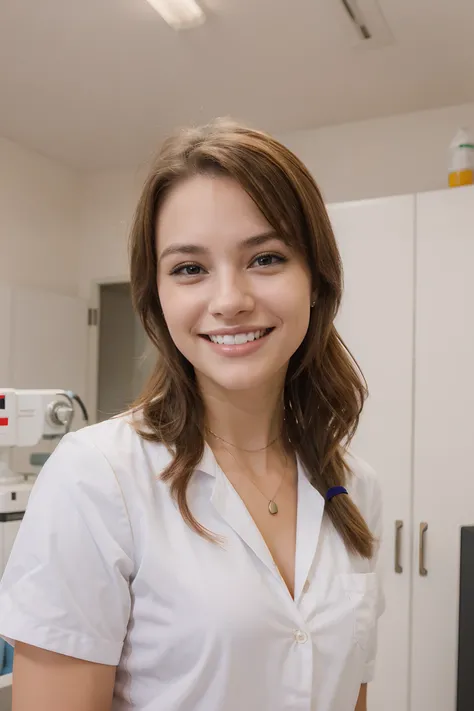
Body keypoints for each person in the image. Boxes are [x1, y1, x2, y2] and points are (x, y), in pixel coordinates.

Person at [0, 120, 384, 711]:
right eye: (189, 268)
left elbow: (348, 693)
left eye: (265, 257)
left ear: (316, 280)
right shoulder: (97, 478)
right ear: (158, 297)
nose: (229, 300)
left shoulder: (354, 488)